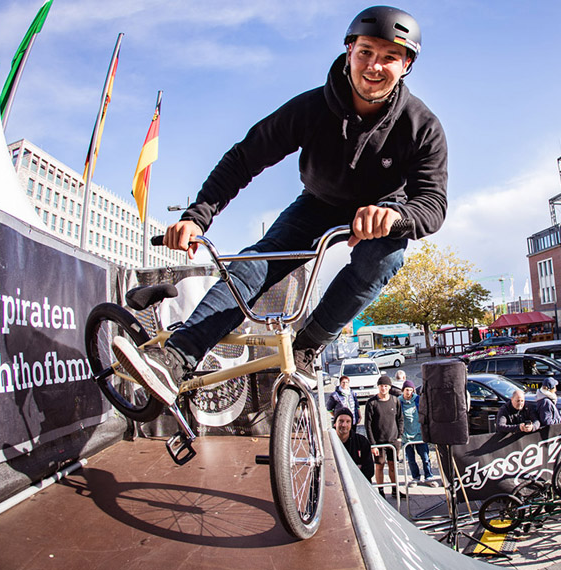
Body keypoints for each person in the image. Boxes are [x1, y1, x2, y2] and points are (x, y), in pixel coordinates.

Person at [112, 6, 447, 407]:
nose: (375, 67)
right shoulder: (311, 108)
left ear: (406, 64)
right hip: (317, 204)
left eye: (390, 57)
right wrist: (196, 216)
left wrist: (397, 216)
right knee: (253, 266)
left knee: (384, 258)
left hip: (380, 213)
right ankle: (176, 356)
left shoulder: (422, 126)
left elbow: (434, 203)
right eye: (366, 52)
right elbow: (244, 158)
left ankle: (308, 346)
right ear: (348, 52)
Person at [365, 376, 403, 496]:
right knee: (379, 466)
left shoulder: (395, 401)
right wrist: (373, 444)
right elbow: (368, 424)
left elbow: (400, 419)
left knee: (393, 466)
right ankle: (381, 491)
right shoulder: (372, 403)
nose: (384, 388)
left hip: (393, 440)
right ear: (378, 387)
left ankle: (395, 489)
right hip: (379, 441)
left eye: (386, 386)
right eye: (381, 386)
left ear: (390, 387)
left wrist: (399, 436)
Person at [399, 379, 437, 487]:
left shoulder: (418, 400)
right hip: (406, 436)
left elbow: (425, 413)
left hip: (419, 434)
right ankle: (415, 477)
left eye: (410, 390)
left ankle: (428, 476)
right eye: (406, 390)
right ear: (403, 390)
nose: (408, 392)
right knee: (411, 459)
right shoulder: (399, 401)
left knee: (425, 457)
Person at [334, 407, 374, 480]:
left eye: (348, 421)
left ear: (351, 424)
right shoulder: (329, 442)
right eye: (341, 421)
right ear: (334, 423)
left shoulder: (362, 441)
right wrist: (356, 468)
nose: (344, 425)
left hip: (360, 484)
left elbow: (369, 470)